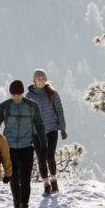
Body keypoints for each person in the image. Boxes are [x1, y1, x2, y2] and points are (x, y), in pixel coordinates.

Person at [0, 79, 46, 208]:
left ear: (23, 93)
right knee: (13, 179)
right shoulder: (4, 107)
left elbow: (40, 126)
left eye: (19, 94)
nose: (16, 97)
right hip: (8, 149)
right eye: (14, 94)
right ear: (10, 94)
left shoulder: (32, 106)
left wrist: (44, 144)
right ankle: (16, 205)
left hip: (26, 148)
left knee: (25, 180)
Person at [27, 68, 68, 196]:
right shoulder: (29, 96)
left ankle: (54, 181)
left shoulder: (52, 93)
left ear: (46, 79)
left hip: (51, 130)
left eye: (43, 78)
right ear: (34, 80)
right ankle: (46, 184)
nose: (41, 80)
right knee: (41, 158)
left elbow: (59, 111)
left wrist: (63, 128)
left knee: (50, 157)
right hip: (36, 133)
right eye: (39, 78)